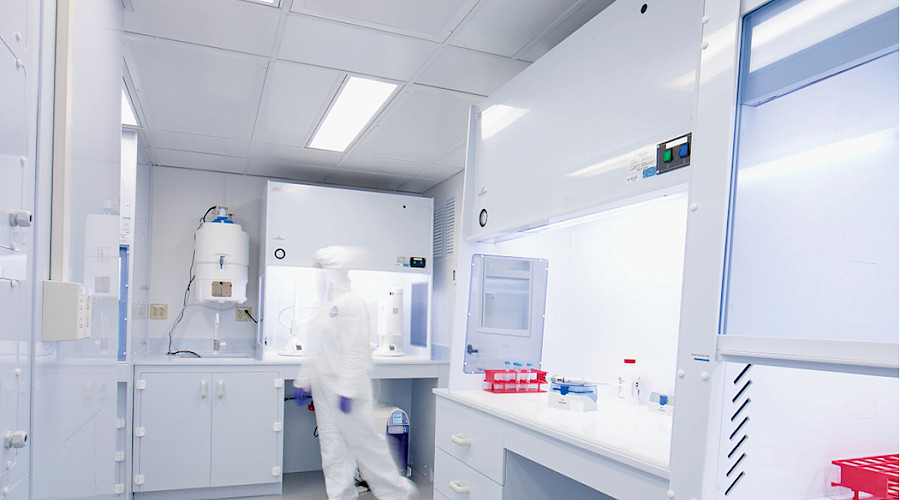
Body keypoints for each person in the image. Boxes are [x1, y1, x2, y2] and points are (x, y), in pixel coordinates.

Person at [293, 246, 416, 500]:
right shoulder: (325, 306)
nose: (318, 276)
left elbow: (356, 351)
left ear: (334, 271)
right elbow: (316, 350)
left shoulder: (352, 304)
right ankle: (341, 496)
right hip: (325, 390)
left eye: (321, 270)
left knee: (368, 449)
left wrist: (347, 391)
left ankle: (398, 494)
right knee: (332, 451)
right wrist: (303, 380)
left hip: (348, 390)